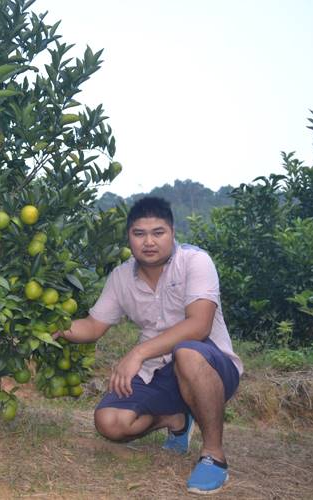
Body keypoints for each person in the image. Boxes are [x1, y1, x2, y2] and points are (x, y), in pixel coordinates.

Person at [57, 196, 242, 494]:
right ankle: (176, 419)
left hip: (211, 365)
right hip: (157, 372)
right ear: (129, 237)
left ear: (172, 233)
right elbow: (92, 326)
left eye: (158, 232)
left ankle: (213, 456)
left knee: (186, 352)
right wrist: (50, 328)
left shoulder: (195, 262)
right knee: (110, 422)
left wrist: (138, 352)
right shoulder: (120, 277)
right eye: (139, 234)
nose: (149, 242)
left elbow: (199, 325)